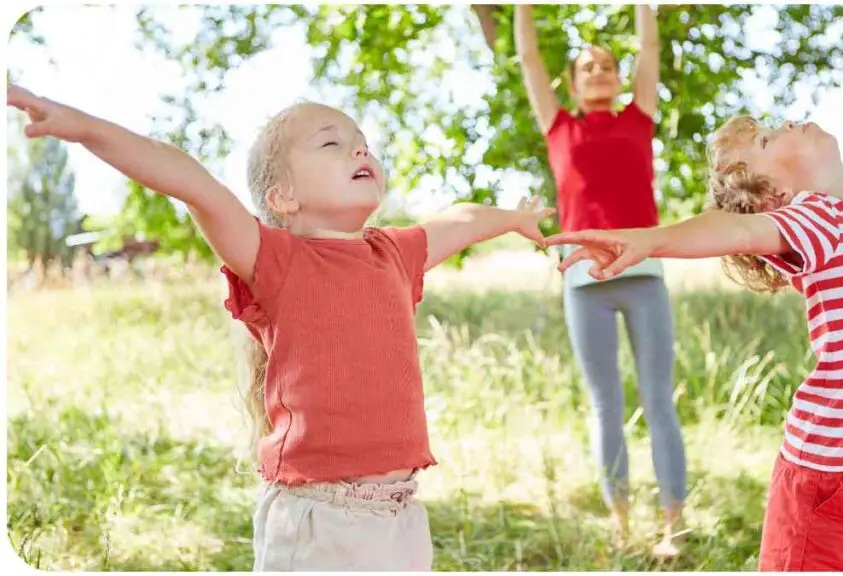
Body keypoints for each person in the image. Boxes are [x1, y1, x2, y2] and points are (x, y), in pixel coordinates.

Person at [8, 84, 554, 571]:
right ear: (283, 198)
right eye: (330, 142)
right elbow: (191, 182)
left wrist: (511, 218)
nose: (359, 148)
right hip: (319, 523)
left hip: (401, 517)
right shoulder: (278, 260)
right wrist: (84, 127)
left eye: (361, 140)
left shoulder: (395, 253)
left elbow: (459, 219)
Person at [545, 114, 843, 571]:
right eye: (765, 139)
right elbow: (733, 231)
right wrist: (650, 240)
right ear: (776, 195)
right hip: (830, 472)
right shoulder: (815, 222)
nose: (789, 123)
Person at [514, 4, 687, 556]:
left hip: (644, 275)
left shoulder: (639, 118)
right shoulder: (558, 126)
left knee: (660, 400)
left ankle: (672, 525)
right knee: (605, 405)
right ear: (571, 82)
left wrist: (643, 8)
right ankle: (621, 522)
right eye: (588, 67)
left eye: (608, 64)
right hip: (582, 283)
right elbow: (527, 57)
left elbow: (651, 51)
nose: (599, 72)